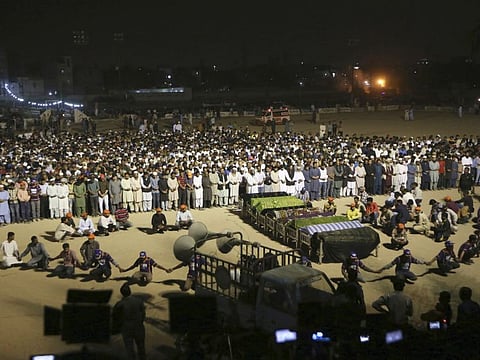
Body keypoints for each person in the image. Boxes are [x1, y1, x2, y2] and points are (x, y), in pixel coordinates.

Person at [112, 283, 146, 360]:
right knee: (141, 348)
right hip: (139, 327)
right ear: (130, 291)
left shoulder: (120, 304)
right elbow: (143, 314)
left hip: (126, 327)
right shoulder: (139, 301)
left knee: (130, 349)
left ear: (122, 293)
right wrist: (140, 322)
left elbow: (115, 317)